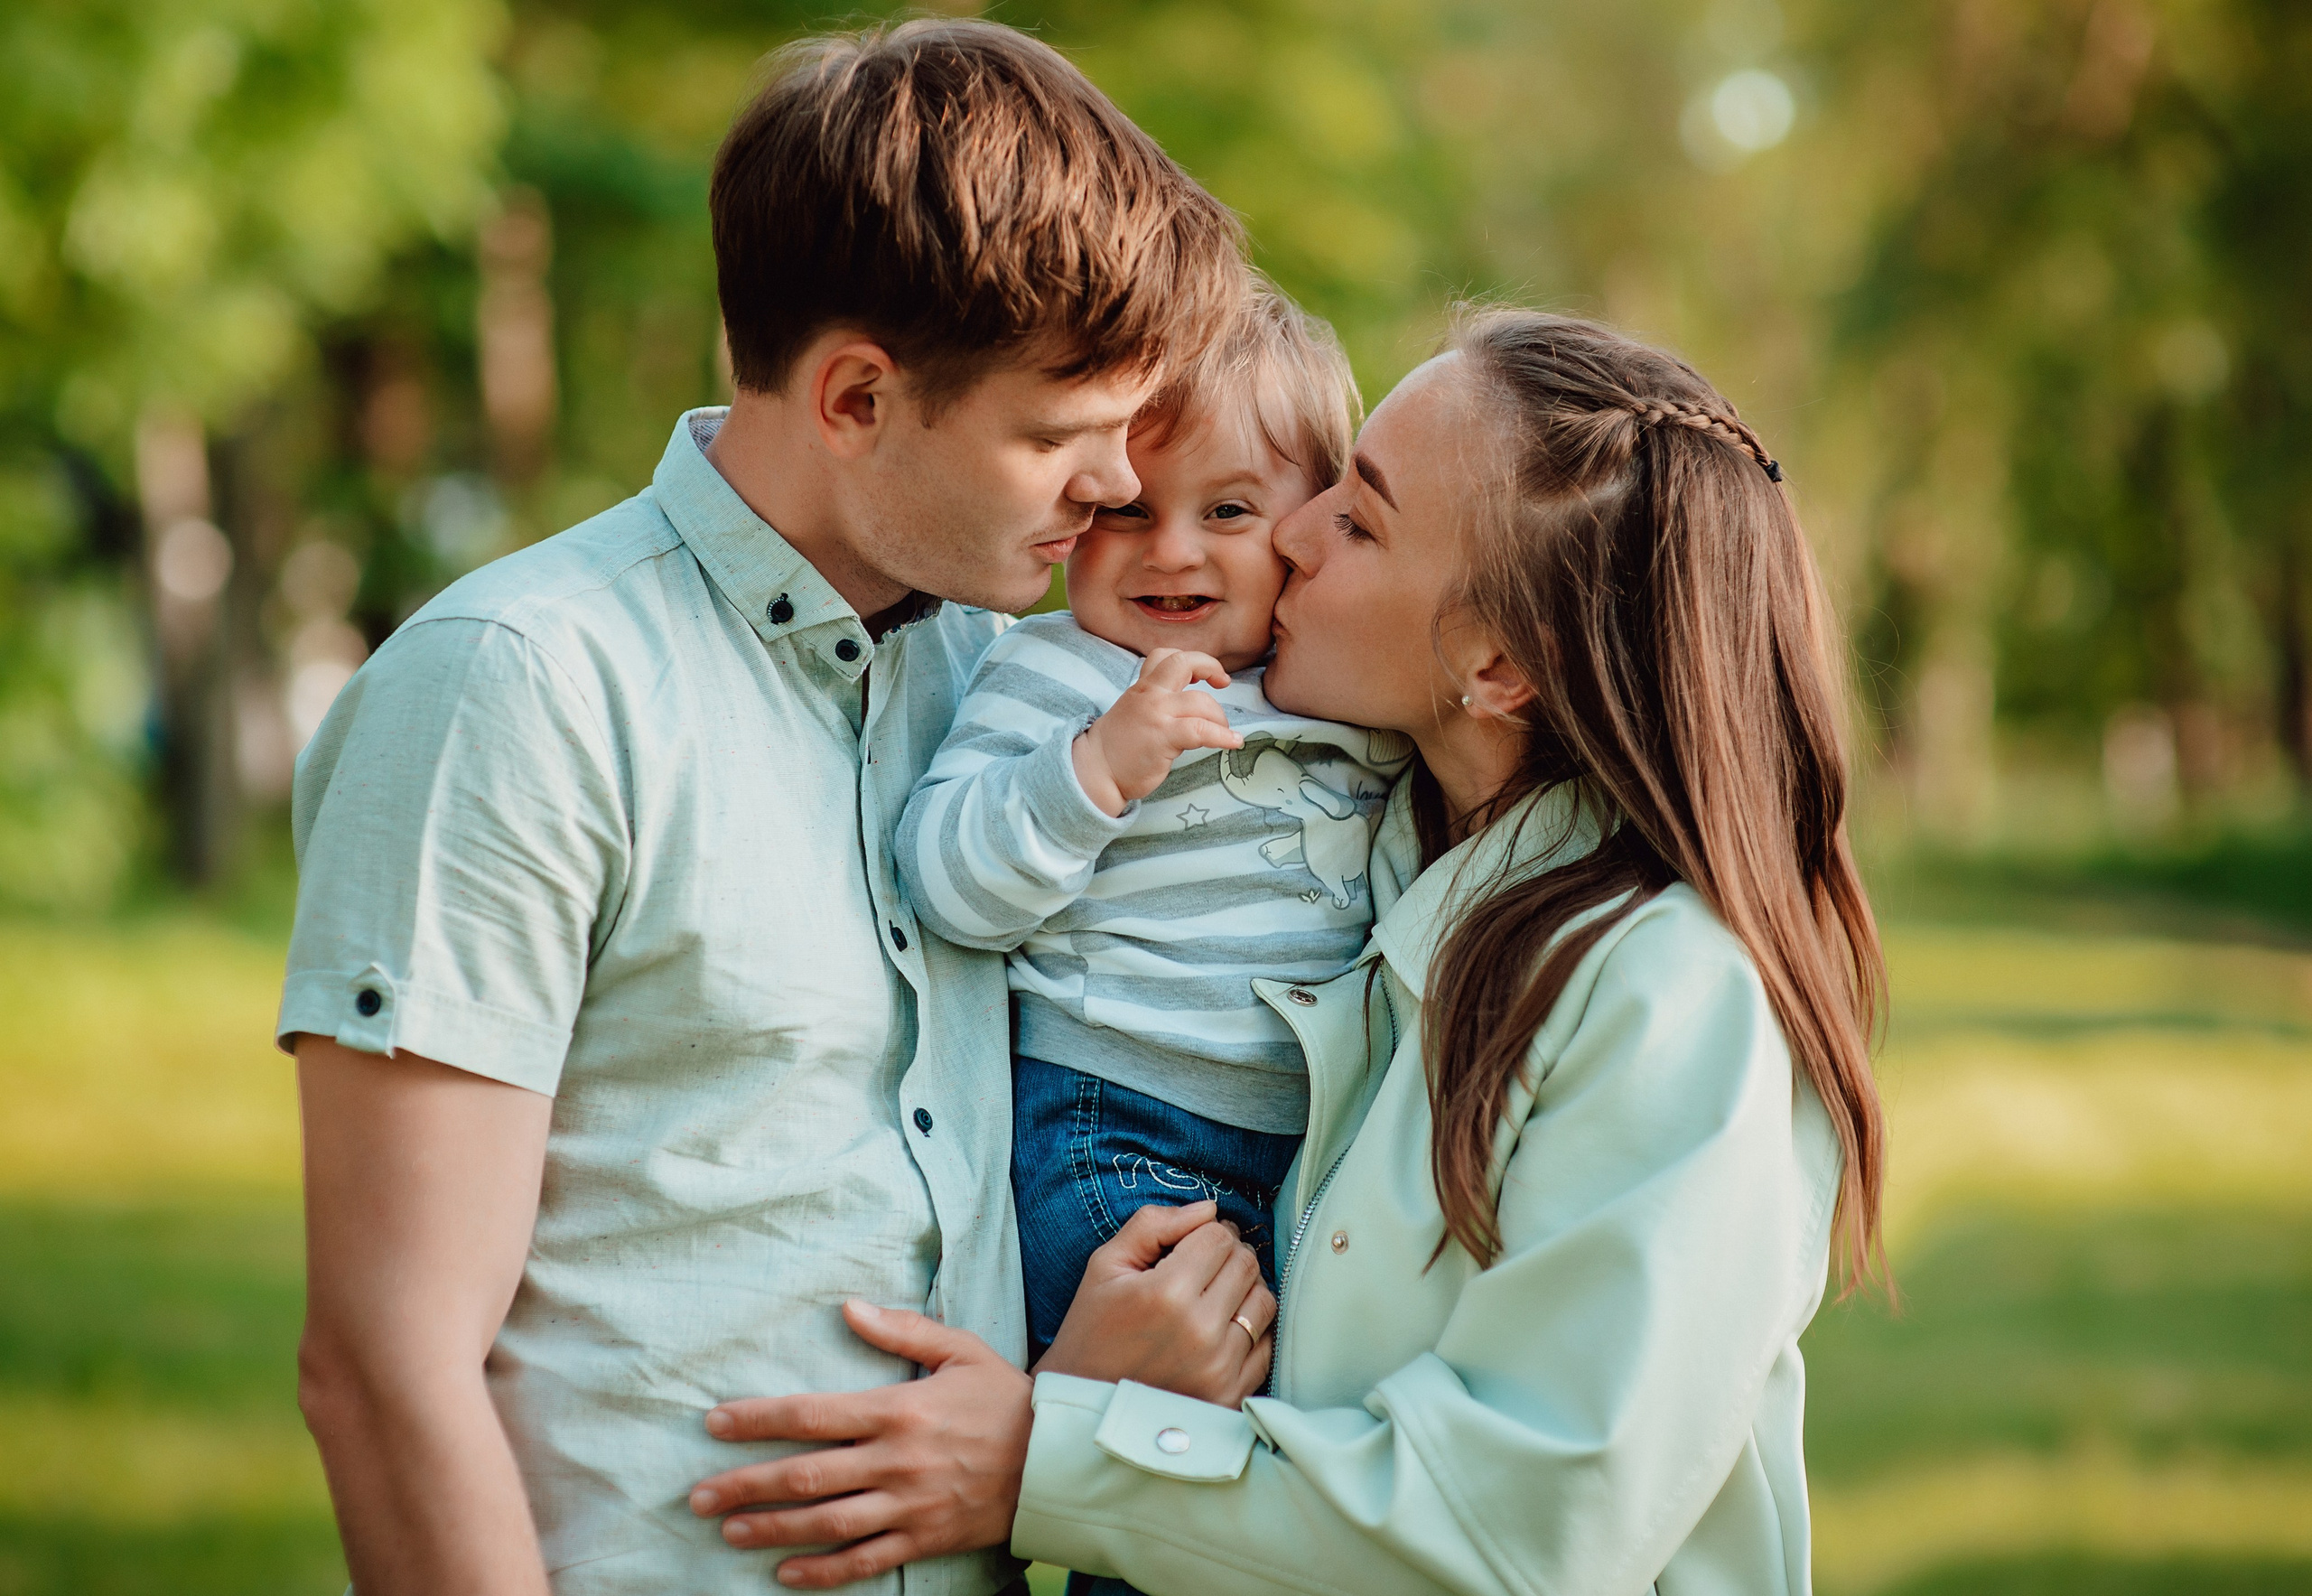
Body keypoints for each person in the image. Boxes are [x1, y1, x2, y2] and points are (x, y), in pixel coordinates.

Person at [687, 309, 1891, 1596]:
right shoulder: (1395, 879)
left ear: (1494, 663)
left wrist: (1042, 1447)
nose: (1295, 532)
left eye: (1358, 518)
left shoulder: (1677, 995)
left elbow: (1530, 1531)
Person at [279, 21, 1259, 1596]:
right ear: (859, 397)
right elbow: (385, 1369)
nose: (1113, 495)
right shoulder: (519, 686)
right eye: (1057, 439)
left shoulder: (1014, 689)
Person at [896, 285, 1413, 1362]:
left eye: (1227, 512)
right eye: (1129, 508)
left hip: (1313, 1144)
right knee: (1192, 1379)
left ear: (1309, 524)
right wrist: (1092, 771)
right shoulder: (1056, 670)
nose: (1171, 550)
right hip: (1114, 1125)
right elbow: (945, 886)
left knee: (1300, 1390)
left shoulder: (1332, 685)